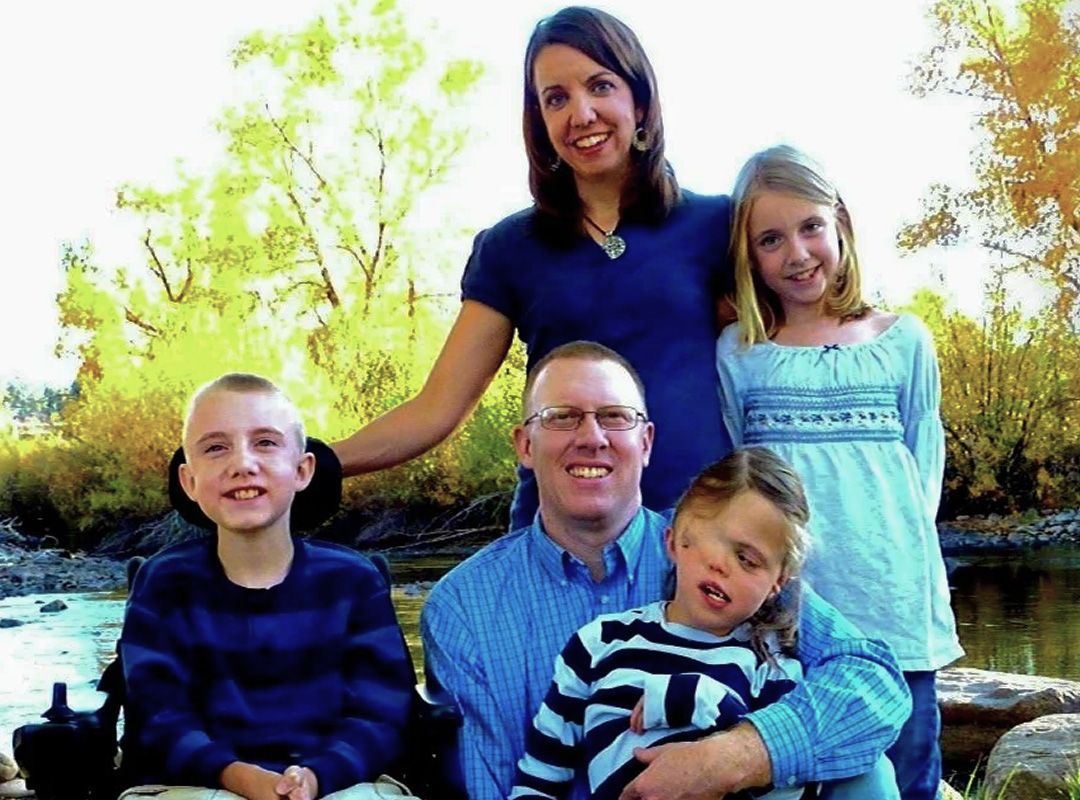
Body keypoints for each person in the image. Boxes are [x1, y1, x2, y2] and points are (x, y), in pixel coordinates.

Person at [421, 341, 911, 800]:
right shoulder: (464, 607)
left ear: (646, 442)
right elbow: (490, 782)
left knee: (870, 773)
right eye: (562, 417)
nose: (591, 438)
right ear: (525, 445)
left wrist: (731, 757)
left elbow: (874, 683)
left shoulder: (725, 564)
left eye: (615, 418)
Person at [332, 6, 733, 529]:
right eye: (556, 99)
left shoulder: (717, 225)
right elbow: (437, 408)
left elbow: (787, 351)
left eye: (601, 86)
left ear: (641, 100)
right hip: (559, 540)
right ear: (539, 123)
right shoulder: (511, 248)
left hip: (700, 538)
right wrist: (307, 463)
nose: (582, 113)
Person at [716, 144, 963, 800]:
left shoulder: (902, 340)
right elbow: (742, 481)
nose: (796, 253)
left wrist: (900, 561)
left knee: (910, 773)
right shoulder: (744, 356)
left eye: (810, 228)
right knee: (804, 775)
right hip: (794, 617)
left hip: (894, 611)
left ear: (841, 224)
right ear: (749, 255)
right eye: (771, 239)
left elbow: (922, 470)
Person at [119, 373, 417, 800]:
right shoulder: (164, 585)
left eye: (265, 443)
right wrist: (238, 777)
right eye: (216, 447)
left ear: (302, 470)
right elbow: (159, 716)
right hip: (199, 783)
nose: (242, 463)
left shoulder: (353, 582)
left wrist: (314, 778)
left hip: (339, 782)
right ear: (189, 481)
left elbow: (382, 714)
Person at [511, 449, 823, 800]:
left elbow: (786, 785)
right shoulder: (601, 642)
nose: (721, 565)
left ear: (777, 583)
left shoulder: (772, 667)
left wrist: (700, 698)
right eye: (707, 542)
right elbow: (542, 774)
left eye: (747, 560)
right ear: (673, 542)